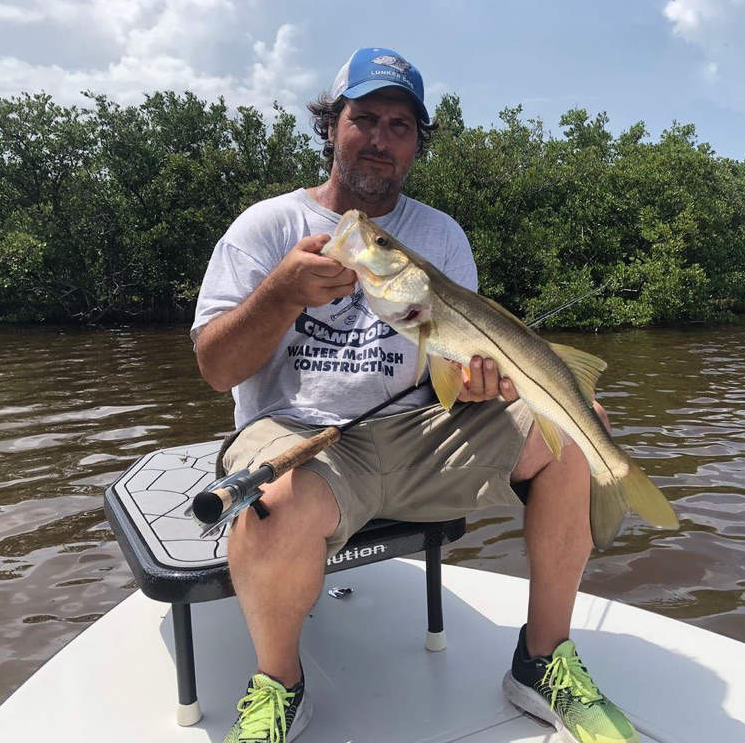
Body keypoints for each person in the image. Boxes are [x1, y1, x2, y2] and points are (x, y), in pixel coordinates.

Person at [192, 47, 639, 743]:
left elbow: (452, 373)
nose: (380, 138)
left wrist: (474, 386)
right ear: (331, 126)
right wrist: (278, 293)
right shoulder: (267, 227)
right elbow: (216, 368)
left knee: (578, 430)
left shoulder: (441, 235)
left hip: (422, 437)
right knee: (273, 504)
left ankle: (541, 660)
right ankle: (279, 685)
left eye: (400, 125)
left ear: (416, 144)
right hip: (302, 438)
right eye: (363, 118)